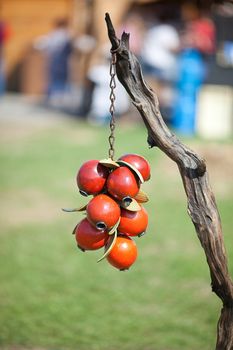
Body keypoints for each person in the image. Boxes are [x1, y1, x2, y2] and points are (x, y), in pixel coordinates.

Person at [172, 1, 215, 135]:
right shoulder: (189, 25)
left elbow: (208, 46)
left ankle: (188, 128)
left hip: (195, 64)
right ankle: (179, 125)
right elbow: (179, 46)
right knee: (181, 96)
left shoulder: (205, 25)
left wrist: (196, 40)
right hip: (185, 63)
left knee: (191, 96)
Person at [34, 18, 72, 107]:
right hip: (61, 61)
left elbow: (43, 45)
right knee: (59, 79)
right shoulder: (65, 35)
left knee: (55, 79)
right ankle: (56, 98)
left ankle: (53, 98)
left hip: (57, 61)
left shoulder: (56, 35)